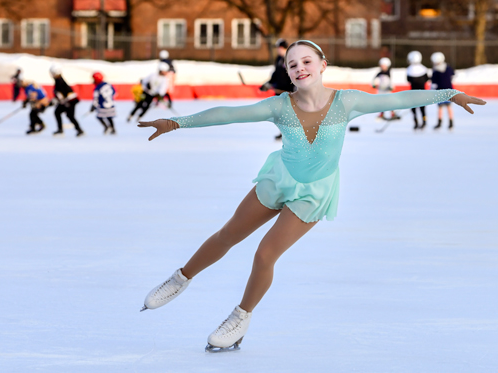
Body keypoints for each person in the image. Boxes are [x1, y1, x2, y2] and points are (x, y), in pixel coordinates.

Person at [137, 40, 485, 352]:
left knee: (265, 253)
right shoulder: (280, 106)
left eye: (306, 61)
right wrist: (177, 122)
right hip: (279, 179)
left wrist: (448, 94)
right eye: (292, 64)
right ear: (288, 73)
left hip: (314, 192)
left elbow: (397, 98)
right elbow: (230, 114)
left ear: (322, 65)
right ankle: (181, 277)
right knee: (229, 233)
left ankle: (241, 317)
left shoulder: (346, 102)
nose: (300, 68)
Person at [262, 38, 295, 140]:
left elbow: (295, 75)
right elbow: (276, 74)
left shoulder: (291, 60)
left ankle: (292, 134)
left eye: (279, 48)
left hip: (288, 91)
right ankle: (284, 132)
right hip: (279, 91)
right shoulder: (279, 59)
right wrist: (269, 83)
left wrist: (294, 89)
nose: (277, 50)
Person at [50, 64, 84, 137]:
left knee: (70, 116)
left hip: (70, 101)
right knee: (58, 112)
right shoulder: (58, 80)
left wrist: (56, 101)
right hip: (67, 101)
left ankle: (79, 130)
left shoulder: (59, 81)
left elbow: (61, 94)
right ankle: (61, 129)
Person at [430, 52, 456, 130]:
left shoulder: (435, 71)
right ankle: (451, 123)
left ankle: (440, 123)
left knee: (440, 107)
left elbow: (434, 83)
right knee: (448, 107)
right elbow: (453, 75)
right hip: (448, 90)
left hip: (440, 92)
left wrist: (432, 90)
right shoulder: (448, 67)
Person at [406, 51, 430, 130]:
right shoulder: (423, 68)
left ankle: (415, 121)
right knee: (422, 108)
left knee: (413, 108)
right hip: (422, 92)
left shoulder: (409, 69)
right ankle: (424, 121)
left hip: (413, 93)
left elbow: (408, 80)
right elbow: (427, 79)